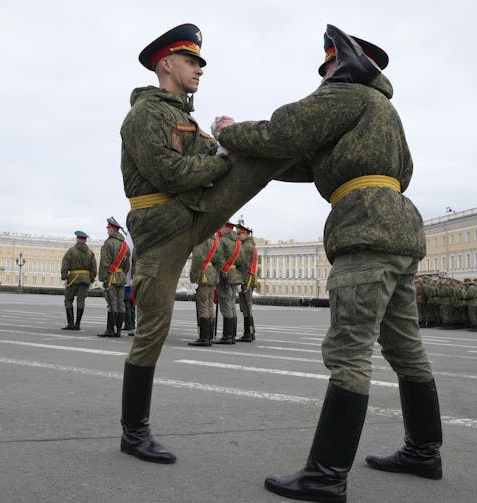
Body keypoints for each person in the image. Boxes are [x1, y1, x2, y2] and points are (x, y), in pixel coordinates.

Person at [215, 24, 442, 502]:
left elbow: (285, 131)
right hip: (398, 227)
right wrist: (252, 152)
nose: (324, 78)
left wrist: (227, 131)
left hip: (365, 227)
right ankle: (424, 451)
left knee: (349, 351)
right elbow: (305, 160)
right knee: (405, 349)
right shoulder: (381, 109)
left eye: (328, 68)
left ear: (341, 67)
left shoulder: (348, 94)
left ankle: (325, 475)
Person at [118, 22, 292, 465]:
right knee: (151, 333)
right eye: (191, 61)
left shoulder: (186, 119)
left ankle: (309, 142)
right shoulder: (143, 116)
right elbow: (169, 173)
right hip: (160, 231)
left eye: (199, 61)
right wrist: (219, 160)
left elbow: (216, 157)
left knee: (259, 157)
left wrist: (226, 143)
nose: (199, 69)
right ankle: (133, 433)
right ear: (166, 64)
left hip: (194, 214)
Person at [98, 217, 131, 338]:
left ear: (113, 229)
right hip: (121, 277)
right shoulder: (125, 245)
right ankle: (118, 331)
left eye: (109, 228)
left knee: (111, 303)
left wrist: (103, 278)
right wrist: (121, 273)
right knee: (120, 303)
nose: (107, 231)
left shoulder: (109, 243)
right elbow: (127, 265)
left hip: (111, 277)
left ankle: (111, 329)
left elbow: (104, 263)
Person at [187, 231, 220, 346]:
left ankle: (204, 338)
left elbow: (197, 259)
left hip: (203, 275)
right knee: (210, 305)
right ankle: (209, 336)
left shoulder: (201, 239)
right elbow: (220, 261)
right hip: (212, 275)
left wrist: (194, 279)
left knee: (203, 306)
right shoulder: (216, 240)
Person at [60, 230, 97, 331]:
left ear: (78, 239)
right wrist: (91, 278)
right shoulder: (90, 253)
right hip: (85, 280)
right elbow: (94, 268)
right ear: (84, 240)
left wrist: (64, 276)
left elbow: (65, 264)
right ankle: (77, 324)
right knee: (81, 301)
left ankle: (70, 323)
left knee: (68, 300)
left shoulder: (71, 251)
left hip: (73, 279)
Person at [215, 222, 242, 344]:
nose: (219, 228)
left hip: (225, 274)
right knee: (231, 304)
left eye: (221, 226)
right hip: (235, 276)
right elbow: (241, 261)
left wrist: (220, 271)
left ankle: (227, 336)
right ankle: (232, 334)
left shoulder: (223, 241)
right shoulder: (238, 242)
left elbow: (219, 258)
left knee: (226, 304)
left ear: (227, 228)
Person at [235, 221, 258, 342]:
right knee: (245, 306)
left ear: (246, 234)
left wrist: (241, 280)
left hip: (246, 278)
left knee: (246, 306)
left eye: (240, 234)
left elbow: (244, 264)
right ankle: (250, 332)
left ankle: (248, 333)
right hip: (247, 277)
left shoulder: (247, 247)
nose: (238, 236)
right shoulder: (247, 245)